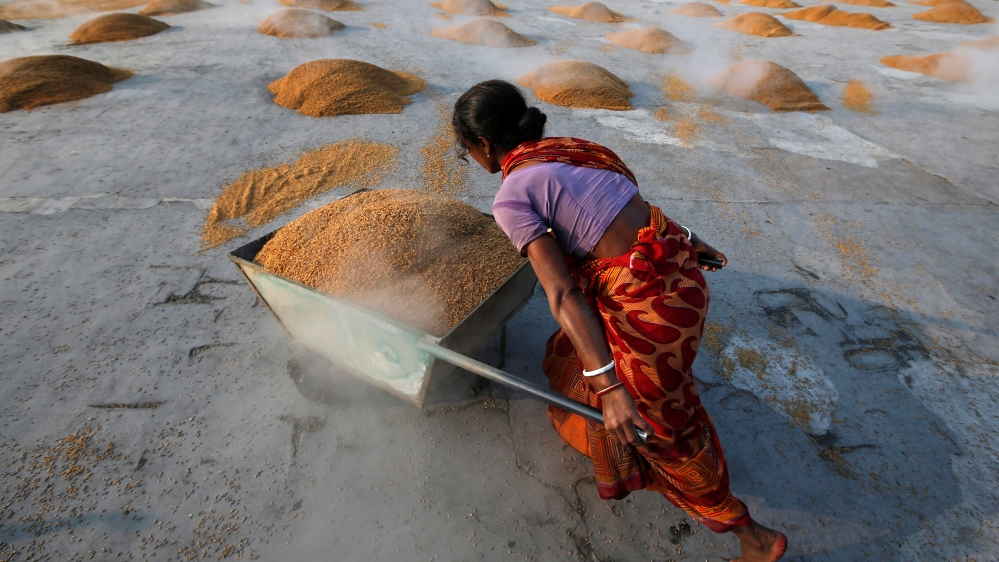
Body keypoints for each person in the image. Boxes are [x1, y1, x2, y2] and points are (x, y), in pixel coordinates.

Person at [452, 80, 787, 562]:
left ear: (483, 144)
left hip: (653, 320)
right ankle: (632, 434)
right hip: (681, 279)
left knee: (663, 433)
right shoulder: (578, 151)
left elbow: (563, 290)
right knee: (572, 356)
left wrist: (611, 388)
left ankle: (755, 537)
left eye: (467, 149)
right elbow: (637, 211)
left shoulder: (511, 198)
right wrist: (691, 238)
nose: (471, 158)